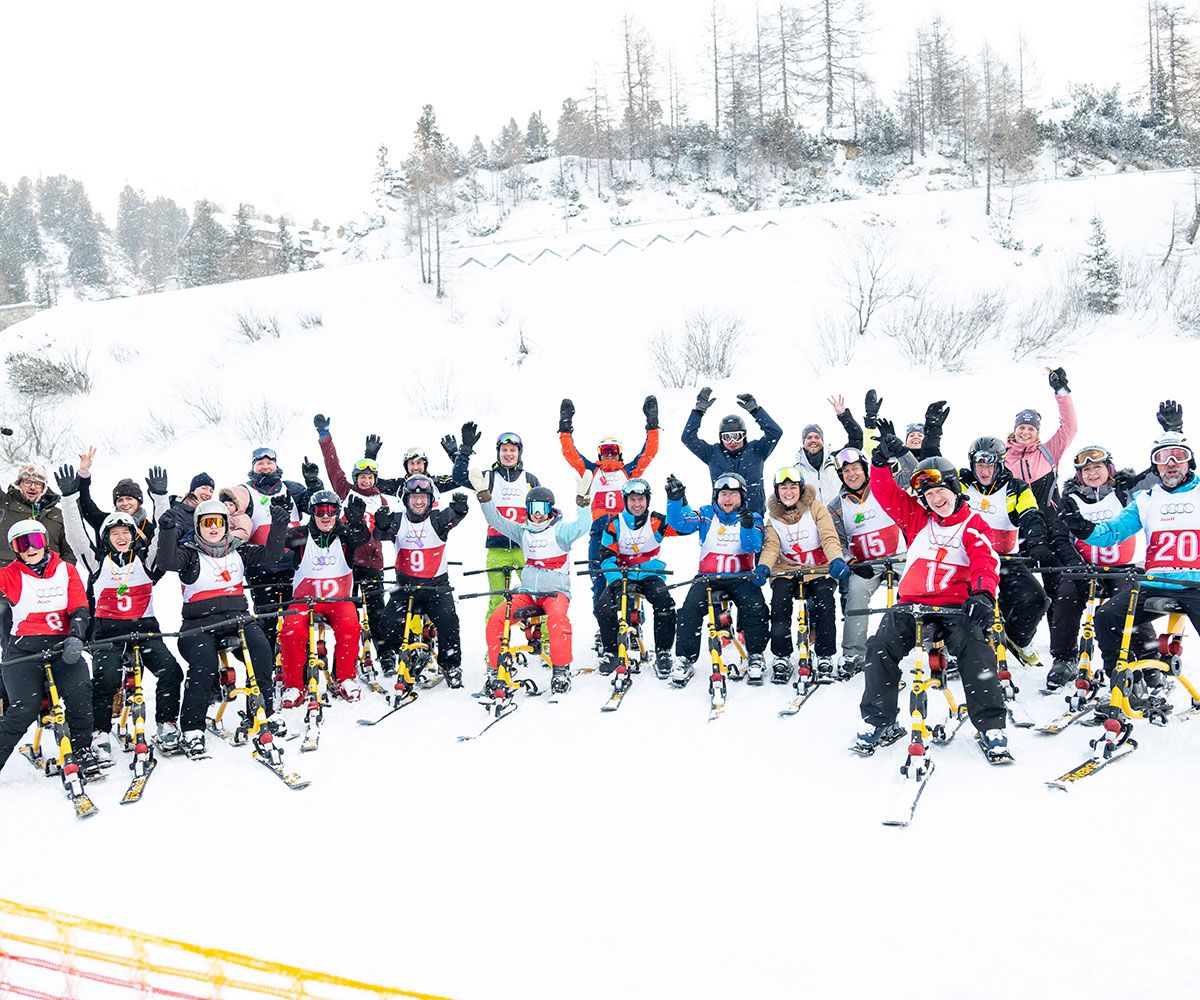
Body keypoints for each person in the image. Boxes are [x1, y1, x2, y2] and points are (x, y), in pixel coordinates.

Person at [854, 443, 1009, 762]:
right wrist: (880, 464)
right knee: (879, 647)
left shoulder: (973, 524)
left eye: (940, 492)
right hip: (911, 607)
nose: (936, 500)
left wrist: (982, 593)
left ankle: (991, 726)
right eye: (928, 495)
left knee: (977, 651)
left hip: (955, 609)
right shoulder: (916, 519)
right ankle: (879, 721)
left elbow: (984, 559)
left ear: (954, 487)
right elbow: (886, 494)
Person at [1063, 432, 1200, 717]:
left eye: (1178, 456)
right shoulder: (1146, 499)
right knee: (1107, 616)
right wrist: (1083, 529)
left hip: (1195, 584)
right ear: (1155, 466)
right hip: (1156, 582)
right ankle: (1125, 683)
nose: (1171, 463)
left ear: (1190, 462)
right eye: (1162, 458)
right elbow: (1112, 532)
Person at [56, 463, 184, 761]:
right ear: (106, 537)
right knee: (105, 679)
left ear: (133, 534)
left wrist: (160, 496)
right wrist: (68, 498)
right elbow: (76, 534)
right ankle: (100, 731)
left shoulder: (147, 561)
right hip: (109, 633)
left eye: (125, 531)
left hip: (145, 629)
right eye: (114, 532)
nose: (120, 536)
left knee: (171, 671)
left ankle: (166, 723)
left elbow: (162, 533)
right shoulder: (97, 562)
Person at [156, 494, 290, 760]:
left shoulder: (238, 549)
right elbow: (166, 563)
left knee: (262, 649)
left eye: (218, 522)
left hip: (236, 618)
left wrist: (279, 525)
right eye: (207, 523)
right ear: (198, 527)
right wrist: (167, 531)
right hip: (198, 624)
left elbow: (272, 555)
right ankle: (193, 727)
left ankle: (265, 708)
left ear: (227, 524)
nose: (213, 528)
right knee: (203, 664)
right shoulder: (189, 553)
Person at [473, 471, 593, 695]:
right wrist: (484, 495)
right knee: (498, 617)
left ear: (550, 510)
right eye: (533, 509)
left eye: (543, 509)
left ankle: (560, 669)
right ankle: (496, 668)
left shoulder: (560, 531)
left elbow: (583, 526)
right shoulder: (523, 531)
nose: (538, 514)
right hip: (528, 592)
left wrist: (583, 501)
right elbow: (495, 520)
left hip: (555, 592)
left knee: (557, 620)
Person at [0, 519, 97, 777]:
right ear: (16, 549)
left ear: (45, 542)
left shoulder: (66, 570)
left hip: (62, 646)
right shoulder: (11, 574)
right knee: (23, 707)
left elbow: (79, 607)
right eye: (23, 544)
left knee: (79, 691)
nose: (31, 549)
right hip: (24, 650)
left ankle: (82, 749)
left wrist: (76, 636)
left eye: (36, 541)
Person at [1044, 445, 1143, 690]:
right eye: (1086, 470)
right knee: (1066, 596)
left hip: (1122, 568)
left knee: (1129, 601)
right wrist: (1077, 566)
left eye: (1097, 467)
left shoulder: (1125, 492)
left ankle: (1145, 657)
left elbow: (1157, 481)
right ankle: (1064, 658)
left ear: (1109, 468)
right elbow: (1060, 539)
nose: (1092, 473)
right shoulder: (1071, 500)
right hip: (1085, 568)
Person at [665, 471, 769, 689]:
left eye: (733, 494)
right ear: (716, 496)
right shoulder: (706, 514)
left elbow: (753, 547)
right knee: (689, 609)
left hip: (741, 576)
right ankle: (685, 658)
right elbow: (680, 524)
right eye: (723, 494)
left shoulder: (753, 517)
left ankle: (756, 654)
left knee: (756, 607)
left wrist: (748, 526)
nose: (728, 499)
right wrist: (675, 500)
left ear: (742, 496)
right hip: (708, 577)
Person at [959, 435, 1053, 664]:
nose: (983, 471)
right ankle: (960, 645)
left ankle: (1017, 638)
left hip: (1005, 559)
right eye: (979, 465)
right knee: (963, 601)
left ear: (1000, 464)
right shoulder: (961, 484)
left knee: (1036, 599)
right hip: (966, 558)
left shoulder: (1016, 488)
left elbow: (1031, 516)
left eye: (989, 465)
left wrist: (1038, 542)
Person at [558, 395, 659, 605]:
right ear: (600, 455)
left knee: (628, 578)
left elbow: (649, 453)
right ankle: (603, 624)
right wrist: (565, 428)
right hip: (599, 532)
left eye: (613, 451)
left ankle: (632, 619)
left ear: (620, 454)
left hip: (625, 532)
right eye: (605, 452)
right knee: (599, 579)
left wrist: (652, 425)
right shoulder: (592, 471)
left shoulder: (629, 471)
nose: (609, 455)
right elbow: (570, 453)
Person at [311, 414, 393, 671]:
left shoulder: (382, 501)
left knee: (377, 612)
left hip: (371, 563)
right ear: (356, 478)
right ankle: (345, 660)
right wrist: (325, 437)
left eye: (370, 477)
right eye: (362, 476)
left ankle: (386, 655)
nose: (366, 481)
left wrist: (382, 527)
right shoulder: (345, 492)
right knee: (348, 616)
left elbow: (385, 534)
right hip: (345, 563)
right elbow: (332, 466)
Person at [278, 490, 372, 705]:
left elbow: (362, 538)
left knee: (350, 627)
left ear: (337, 512)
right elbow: (277, 544)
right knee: (291, 631)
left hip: (338, 601)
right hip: (304, 601)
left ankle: (345, 677)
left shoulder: (345, 535)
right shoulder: (301, 535)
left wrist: (358, 521)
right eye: (320, 511)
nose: (326, 516)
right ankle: (294, 685)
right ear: (312, 513)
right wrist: (279, 523)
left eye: (330, 510)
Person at [757, 466, 849, 685]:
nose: (789, 492)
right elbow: (771, 547)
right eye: (783, 488)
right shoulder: (773, 519)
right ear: (777, 492)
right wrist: (764, 566)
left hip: (818, 568)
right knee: (779, 603)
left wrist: (836, 558)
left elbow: (828, 536)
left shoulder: (816, 508)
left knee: (825, 599)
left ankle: (825, 654)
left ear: (800, 489)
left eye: (793, 487)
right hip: (788, 570)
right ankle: (782, 654)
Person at [376, 475, 469, 688]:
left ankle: (451, 665)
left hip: (436, 586)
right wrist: (380, 526)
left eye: (423, 498)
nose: (419, 502)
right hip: (405, 587)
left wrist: (461, 510)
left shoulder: (437, 519)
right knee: (388, 625)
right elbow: (379, 534)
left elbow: (454, 517)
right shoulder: (398, 520)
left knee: (449, 622)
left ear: (430, 499)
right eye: (414, 498)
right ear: (406, 500)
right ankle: (412, 654)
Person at [826, 446, 907, 677]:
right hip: (866, 565)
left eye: (856, 468)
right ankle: (853, 653)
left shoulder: (884, 485)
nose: (852, 474)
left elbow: (913, 471)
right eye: (846, 471)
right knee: (856, 595)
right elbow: (837, 541)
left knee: (921, 590)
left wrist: (900, 450)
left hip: (900, 556)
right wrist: (850, 560)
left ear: (864, 469)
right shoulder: (836, 506)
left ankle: (934, 645)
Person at [228, 447, 316, 650]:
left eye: (269, 463)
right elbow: (231, 512)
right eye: (260, 464)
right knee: (266, 621)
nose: (265, 467)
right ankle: (267, 666)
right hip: (261, 566)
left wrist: (313, 485)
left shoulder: (291, 488)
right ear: (253, 467)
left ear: (276, 465)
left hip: (294, 565)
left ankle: (298, 666)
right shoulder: (244, 491)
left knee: (296, 619)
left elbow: (313, 506)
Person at [453, 422, 543, 618]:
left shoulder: (530, 480)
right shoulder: (489, 478)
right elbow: (458, 476)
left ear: (519, 453)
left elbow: (543, 515)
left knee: (537, 595)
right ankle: (495, 646)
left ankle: (541, 639)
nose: (508, 454)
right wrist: (465, 451)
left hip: (525, 549)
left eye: (512, 450)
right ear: (498, 453)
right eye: (504, 450)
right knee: (496, 599)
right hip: (497, 548)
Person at [594, 478, 677, 680]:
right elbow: (607, 557)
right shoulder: (614, 524)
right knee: (604, 606)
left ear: (647, 500)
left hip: (650, 574)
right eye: (632, 500)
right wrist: (614, 580)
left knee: (665, 603)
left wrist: (677, 500)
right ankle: (611, 651)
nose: (637, 504)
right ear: (625, 501)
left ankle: (663, 652)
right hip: (622, 574)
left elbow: (682, 525)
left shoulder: (657, 521)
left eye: (641, 499)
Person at [0, 463, 76, 669]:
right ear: (19, 484)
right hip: (12, 590)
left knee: (57, 646)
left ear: (45, 488)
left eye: (38, 483)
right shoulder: (4, 505)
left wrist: (61, 575)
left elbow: (70, 550)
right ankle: (12, 694)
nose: (32, 487)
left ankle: (49, 690)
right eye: (28, 482)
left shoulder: (57, 514)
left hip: (50, 590)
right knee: (13, 647)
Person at [681, 388, 782, 514]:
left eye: (737, 436)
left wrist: (755, 411)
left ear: (744, 436)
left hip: (753, 516)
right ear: (721, 438)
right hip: (723, 518)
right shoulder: (712, 453)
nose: (732, 442)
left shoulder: (757, 450)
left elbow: (775, 433)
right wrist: (698, 411)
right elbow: (688, 438)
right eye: (727, 437)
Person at [1005, 366, 1078, 508]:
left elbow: (1070, 427)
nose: (1025, 432)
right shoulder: (1003, 456)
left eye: (1031, 429)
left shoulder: (1048, 451)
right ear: (1014, 430)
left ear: (1037, 433)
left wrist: (1061, 391)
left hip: (1050, 522)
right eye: (1021, 427)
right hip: (1016, 524)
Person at [792, 395, 864, 504]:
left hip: (842, 515)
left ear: (822, 440)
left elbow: (857, 438)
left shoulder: (836, 459)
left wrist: (843, 415)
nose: (813, 440)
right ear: (803, 442)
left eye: (817, 437)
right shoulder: (796, 470)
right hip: (815, 520)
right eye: (809, 437)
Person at [166, 472, 216, 546]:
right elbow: (169, 538)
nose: (208, 493)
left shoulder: (210, 515)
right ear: (193, 490)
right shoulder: (178, 510)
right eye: (204, 488)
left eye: (211, 491)